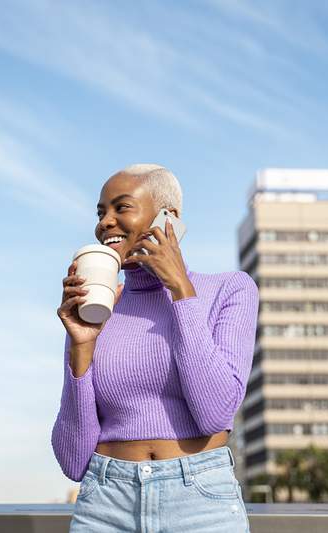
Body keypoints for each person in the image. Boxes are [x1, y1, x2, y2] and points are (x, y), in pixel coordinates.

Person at [52, 164, 259, 532]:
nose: (105, 223)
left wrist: (180, 290)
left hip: (201, 503)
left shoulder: (231, 290)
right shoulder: (100, 310)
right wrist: (81, 345)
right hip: (105, 504)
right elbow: (72, 459)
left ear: (169, 216)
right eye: (101, 213)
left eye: (121, 207)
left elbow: (214, 413)